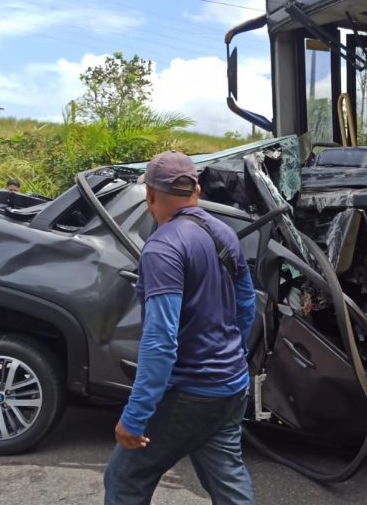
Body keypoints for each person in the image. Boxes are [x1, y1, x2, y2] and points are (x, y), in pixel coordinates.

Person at [104, 150, 257, 505]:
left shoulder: (162, 248)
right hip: (232, 385)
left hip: (192, 390)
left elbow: (160, 340)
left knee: (125, 478)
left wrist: (135, 415)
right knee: (227, 478)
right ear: (197, 191)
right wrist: (232, 358)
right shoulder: (225, 234)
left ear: (151, 195)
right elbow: (246, 307)